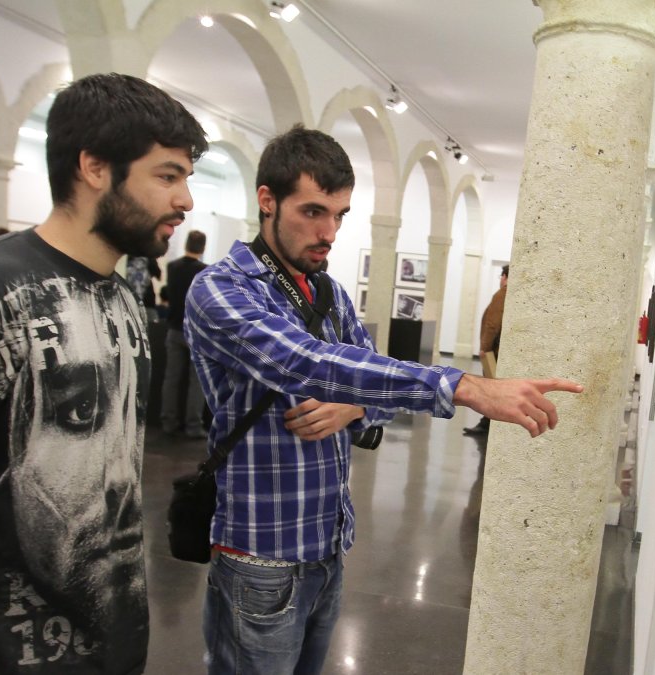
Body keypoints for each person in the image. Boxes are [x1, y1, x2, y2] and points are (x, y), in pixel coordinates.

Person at [184, 125, 581, 675]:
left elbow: (369, 382)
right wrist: (462, 385)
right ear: (267, 202)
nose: (330, 231)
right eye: (314, 212)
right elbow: (308, 363)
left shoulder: (326, 290)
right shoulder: (222, 289)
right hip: (260, 554)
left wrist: (353, 405)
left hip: (327, 545)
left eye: (341, 214)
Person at [0, 72, 206, 673]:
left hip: (112, 645)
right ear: (95, 167)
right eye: (167, 175)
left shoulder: (122, 297)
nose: (185, 201)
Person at [161, 230, 209, 438]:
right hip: (196, 333)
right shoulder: (205, 272)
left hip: (173, 328)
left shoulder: (172, 267)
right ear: (203, 248)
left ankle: (168, 422)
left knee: (171, 379)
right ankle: (193, 425)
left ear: (186, 244)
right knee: (196, 382)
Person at [464, 264, 509, 436]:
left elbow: (492, 325)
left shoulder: (502, 295)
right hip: (499, 351)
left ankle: (487, 424)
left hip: (493, 353)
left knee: (491, 387)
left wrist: (484, 348)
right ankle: (487, 422)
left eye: (501, 276)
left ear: (505, 276)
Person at [125, 254, 162, 323]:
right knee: (152, 329)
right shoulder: (150, 257)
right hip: (147, 302)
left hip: (128, 301)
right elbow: (159, 276)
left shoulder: (128, 256)